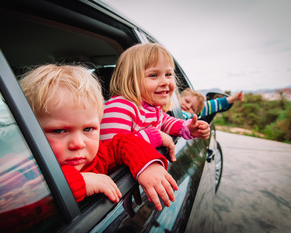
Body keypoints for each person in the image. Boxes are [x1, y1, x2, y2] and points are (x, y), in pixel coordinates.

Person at [19, 64, 178, 211]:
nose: (79, 144)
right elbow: (22, 200)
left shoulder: (98, 156)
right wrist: (79, 183)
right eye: (59, 131)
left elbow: (123, 143)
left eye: (88, 129)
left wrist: (147, 165)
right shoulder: (23, 171)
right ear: (28, 132)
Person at [100, 43, 210, 162]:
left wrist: (187, 128)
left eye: (168, 74)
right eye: (153, 75)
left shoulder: (152, 108)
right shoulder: (119, 108)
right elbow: (111, 154)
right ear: (130, 79)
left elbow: (166, 121)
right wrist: (156, 136)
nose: (165, 82)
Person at [179, 88, 244, 119]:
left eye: (193, 108)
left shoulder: (190, 117)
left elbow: (211, 105)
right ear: (178, 97)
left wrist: (233, 98)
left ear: (196, 113)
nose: (188, 106)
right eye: (187, 101)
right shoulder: (170, 104)